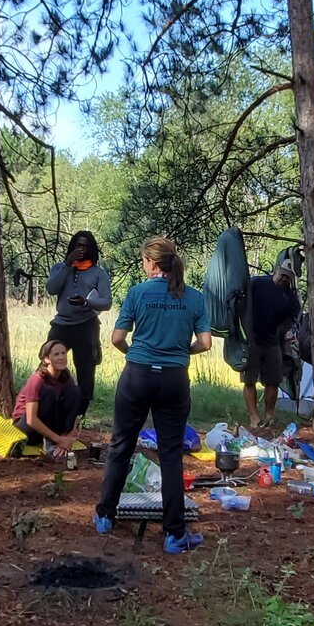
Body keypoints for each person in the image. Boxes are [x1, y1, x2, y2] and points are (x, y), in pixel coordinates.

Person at [93, 237, 212, 552]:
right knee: (171, 453)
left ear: (151, 262)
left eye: (144, 261)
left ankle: (105, 515)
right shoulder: (194, 298)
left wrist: (133, 352)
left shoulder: (137, 293)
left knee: (121, 444)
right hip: (174, 378)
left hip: (138, 374)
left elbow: (117, 338)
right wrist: (182, 351)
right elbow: (206, 342)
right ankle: (174, 535)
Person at [43, 231, 113, 417]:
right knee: (48, 367)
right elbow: (51, 289)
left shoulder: (99, 273)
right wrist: (68, 264)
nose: (81, 250)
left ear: (91, 249)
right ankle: (48, 410)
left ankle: (77, 418)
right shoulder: (60, 268)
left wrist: (86, 302)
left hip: (86, 326)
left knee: (86, 373)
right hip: (61, 325)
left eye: (85, 246)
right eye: (78, 245)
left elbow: (106, 302)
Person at [242, 256, 301, 432]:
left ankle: (269, 416)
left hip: (273, 342)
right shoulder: (257, 283)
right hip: (252, 340)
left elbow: (293, 318)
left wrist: (282, 331)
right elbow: (240, 301)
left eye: (288, 277)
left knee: (273, 381)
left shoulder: (290, 296)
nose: (284, 279)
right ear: (277, 270)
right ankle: (254, 417)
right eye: (283, 275)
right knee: (249, 380)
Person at [15, 338, 87, 463]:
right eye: (56, 354)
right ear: (46, 359)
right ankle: (50, 443)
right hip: (28, 427)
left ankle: (54, 443)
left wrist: (67, 438)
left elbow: (74, 412)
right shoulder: (37, 379)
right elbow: (31, 419)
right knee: (48, 392)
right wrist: (58, 440)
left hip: (53, 425)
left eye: (63, 353)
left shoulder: (66, 378)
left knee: (76, 391)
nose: (61, 357)